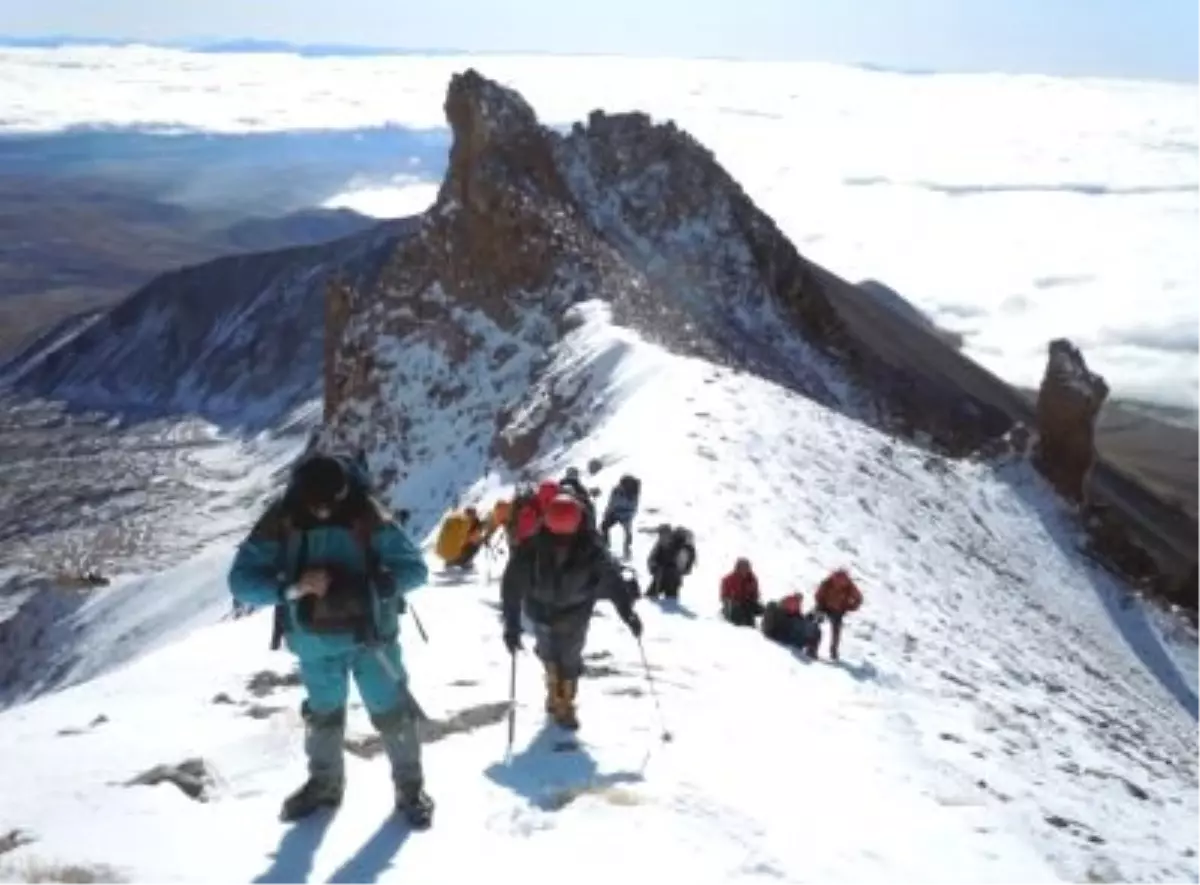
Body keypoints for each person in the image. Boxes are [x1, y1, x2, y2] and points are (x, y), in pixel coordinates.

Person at [227, 453, 434, 827]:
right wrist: (293, 588)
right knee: (327, 716)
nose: (322, 512)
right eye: (314, 505)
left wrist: (376, 586)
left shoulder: (366, 513)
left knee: (390, 713)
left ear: (343, 493)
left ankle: (408, 787)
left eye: (329, 504)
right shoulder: (284, 517)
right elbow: (241, 581)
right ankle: (327, 784)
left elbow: (415, 570)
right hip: (321, 642)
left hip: (369, 639)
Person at [500, 490, 643, 730]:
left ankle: (557, 696)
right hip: (573, 615)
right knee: (568, 659)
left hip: (544, 613)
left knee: (550, 654)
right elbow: (613, 581)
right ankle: (562, 702)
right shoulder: (592, 548)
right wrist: (627, 613)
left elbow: (511, 586)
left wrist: (512, 624)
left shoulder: (532, 546)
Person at [813, 569, 863, 661]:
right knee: (818, 624)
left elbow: (858, 599)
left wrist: (849, 607)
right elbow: (818, 595)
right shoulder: (829, 583)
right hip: (827, 607)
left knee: (832, 630)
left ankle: (829, 650)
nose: (840, 582)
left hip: (834, 609)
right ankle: (818, 648)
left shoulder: (847, 586)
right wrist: (849, 607)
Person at [761, 591, 821, 657]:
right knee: (809, 629)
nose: (800, 600)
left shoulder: (794, 603)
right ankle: (810, 649)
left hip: (786, 628)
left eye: (800, 599)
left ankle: (810, 649)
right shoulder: (790, 600)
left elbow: (797, 615)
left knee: (809, 628)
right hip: (784, 629)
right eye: (799, 598)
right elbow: (787, 612)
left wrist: (806, 618)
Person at [646, 524, 696, 600]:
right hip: (662, 574)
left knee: (669, 599)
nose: (660, 537)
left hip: (669, 576)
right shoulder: (662, 544)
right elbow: (652, 558)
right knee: (653, 597)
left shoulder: (681, 546)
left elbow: (683, 563)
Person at [600, 475, 641, 558]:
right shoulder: (616, 490)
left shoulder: (633, 492)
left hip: (626, 515)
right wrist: (607, 513)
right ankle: (605, 546)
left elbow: (633, 507)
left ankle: (627, 552)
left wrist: (627, 515)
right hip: (615, 513)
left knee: (628, 533)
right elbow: (611, 503)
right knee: (604, 526)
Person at [720, 557, 762, 627]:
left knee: (762, 610)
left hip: (748, 604)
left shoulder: (752, 579)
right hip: (734, 606)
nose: (745, 570)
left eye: (747, 568)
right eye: (743, 568)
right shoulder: (728, 580)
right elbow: (724, 597)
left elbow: (755, 595)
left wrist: (752, 599)